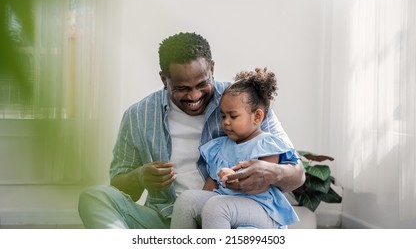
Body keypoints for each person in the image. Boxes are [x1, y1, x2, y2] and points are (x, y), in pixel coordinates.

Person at [78, 32, 305, 229]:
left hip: (234, 221)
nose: (194, 96)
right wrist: (139, 177)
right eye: (182, 88)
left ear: (212, 69)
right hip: (167, 220)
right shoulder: (138, 115)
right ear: (164, 79)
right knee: (94, 197)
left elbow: (297, 174)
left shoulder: (244, 102)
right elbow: (120, 187)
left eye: (201, 84)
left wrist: (271, 172)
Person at [170, 67, 299, 229]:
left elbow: (261, 184)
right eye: (223, 116)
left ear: (257, 116)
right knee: (187, 200)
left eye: (233, 116)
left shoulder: (267, 144)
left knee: (217, 206)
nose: (226, 122)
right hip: (227, 204)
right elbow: (210, 188)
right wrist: (199, 205)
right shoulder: (220, 147)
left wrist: (235, 176)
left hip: (262, 209)